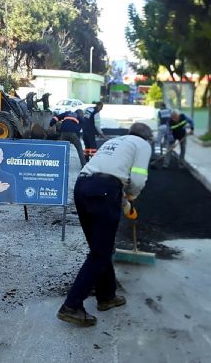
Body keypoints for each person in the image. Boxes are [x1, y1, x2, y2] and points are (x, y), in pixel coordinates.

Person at [57, 122, 153, 327]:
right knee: (100, 254)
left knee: (100, 249)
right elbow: (137, 178)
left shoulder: (115, 142)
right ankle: (71, 306)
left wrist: (125, 204)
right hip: (104, 192)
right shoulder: (143, 145)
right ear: (148, 137)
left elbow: (109, 175)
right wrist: (132, 195)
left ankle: (106, 296)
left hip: (83, 187)